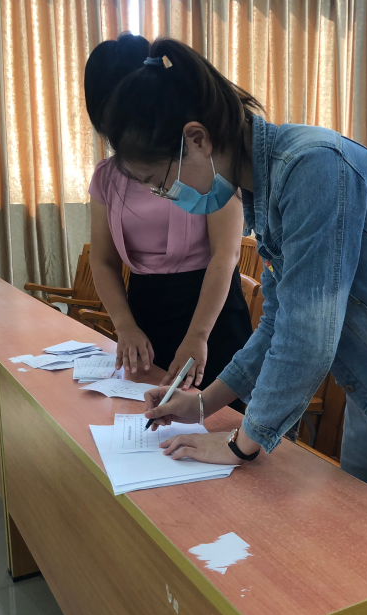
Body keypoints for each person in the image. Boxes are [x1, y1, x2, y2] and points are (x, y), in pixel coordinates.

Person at [95, 37, 367, 615]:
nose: (166, 197)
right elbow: (281, 320)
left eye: (160, 181)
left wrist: (243, 444)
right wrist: (206, 403)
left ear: (196, 139)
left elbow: (309, 335)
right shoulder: (265, 186)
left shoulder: (312, 167)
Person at [83, 33, 252, 395]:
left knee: (216, 417)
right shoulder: (107, 177)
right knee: (144, 414)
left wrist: (198, 335)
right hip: (145, 311)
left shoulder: (205, 159)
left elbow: (226, 254)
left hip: (210, 311)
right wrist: (124, 325)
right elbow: (103, 259)